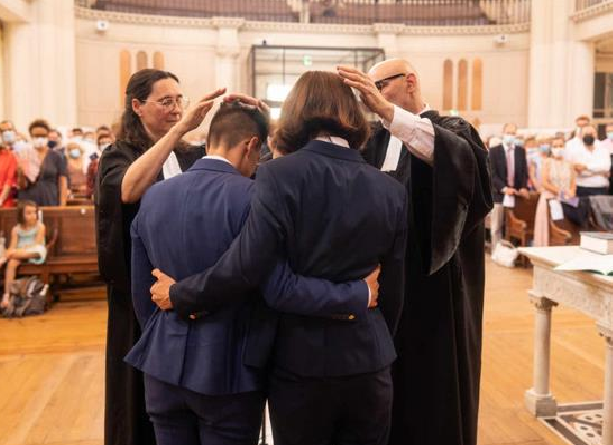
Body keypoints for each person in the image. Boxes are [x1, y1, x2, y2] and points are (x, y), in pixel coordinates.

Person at [150, 71, 408, 445]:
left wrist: (181, 294)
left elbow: (250, 269)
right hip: (370, 360)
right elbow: (394, 291)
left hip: (299, 364)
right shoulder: (390, 188)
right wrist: (367, 317)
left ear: (295, 113)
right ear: (352, 113)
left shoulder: (275, 176)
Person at [340, 59, 493, 445]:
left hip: (434, 289)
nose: (371, 98)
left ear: (409, 81)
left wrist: (388, 112)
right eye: (366, 92)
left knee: (432, 395)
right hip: (378, 292)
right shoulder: (373, 141)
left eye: (380, 86)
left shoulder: (452, 130)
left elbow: (461, 172)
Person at [98, 68, 224, 445]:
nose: (175, 108)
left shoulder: (190, 154)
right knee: (139, 395)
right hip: (141, 292)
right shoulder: (119, 153)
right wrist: (178, 130)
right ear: (137, 106)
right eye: (166, 101)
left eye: (179, 100)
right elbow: (128, 190)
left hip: (187, 288)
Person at [0, 199, 47, 310]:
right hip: (18, 253)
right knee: (11, 262)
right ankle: (7, 295)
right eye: (29, 213)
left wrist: (13, 252)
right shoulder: (16, 229)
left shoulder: (40, 227)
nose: (33, 215)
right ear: (21, 215)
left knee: (12, 254)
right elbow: (13, 246)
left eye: (34, 212)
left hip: (35, 252)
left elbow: (36, 244)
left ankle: (2, 259)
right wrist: (12, 252)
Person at [533, 137, 578, 246]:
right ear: (551, 148)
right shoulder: (547, 162)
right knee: (555, 223)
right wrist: (560, 192)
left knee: (572, 223)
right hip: (551, 197)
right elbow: (544, 182)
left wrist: (572, 191)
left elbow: (573, 181)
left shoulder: (569, 163)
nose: (558, 148)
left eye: (560, 146)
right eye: (555, 146)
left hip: (568, 199)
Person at [19, 119, 68, 206]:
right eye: (36, 136)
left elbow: (62, 183)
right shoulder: (24, 154)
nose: (39, 138)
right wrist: (21, 173)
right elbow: (22, 184)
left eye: (43, 135)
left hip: (50, 198)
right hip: (29, 199)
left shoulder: (58, 156)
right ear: (31, 136)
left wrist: (62, 205)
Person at [489, 123, 529, 202]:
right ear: (503, 133)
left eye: (513, 133)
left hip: (517, 194)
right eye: (508, 133)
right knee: (499, 214)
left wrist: (524, 187)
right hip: (499, 194)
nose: (510, 136)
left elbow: (524, 172)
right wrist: (504, 188)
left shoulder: (521, 151)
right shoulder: (494, 151)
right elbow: (492, 173)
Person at [570, 125, 611, 197]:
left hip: (600, 188)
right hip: (581, 188)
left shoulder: (604, 150)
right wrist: (598, 171)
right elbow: (578, 170)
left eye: (591, 134)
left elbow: (606, 167)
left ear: (596, 135)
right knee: (582, 208)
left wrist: (586, 167)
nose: (589, 136)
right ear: (580, 136)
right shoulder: (575, 152)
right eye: (586, 134)